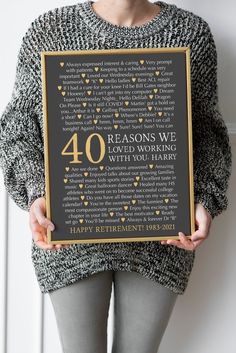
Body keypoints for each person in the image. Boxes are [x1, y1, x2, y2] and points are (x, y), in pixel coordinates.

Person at [0, 0, 232, 352]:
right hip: (69, 233)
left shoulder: (190, 34)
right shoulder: (49, 31)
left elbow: (207, 136)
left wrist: (202, 199)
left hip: (163, 237)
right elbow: (18, 128)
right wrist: (37, 192)